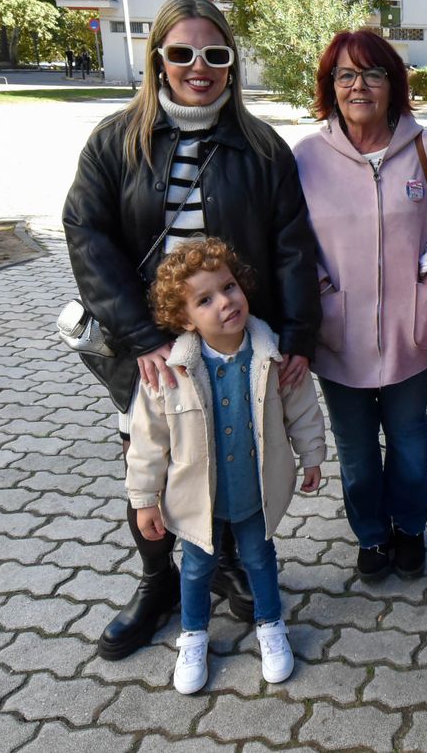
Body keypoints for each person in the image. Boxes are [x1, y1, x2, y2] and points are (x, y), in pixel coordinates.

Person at [62, 0, 321, 663]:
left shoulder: (263, 148)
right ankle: (158, 582)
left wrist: (297, 339)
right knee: (148, 456)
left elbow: (294, 247)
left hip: (237, 339)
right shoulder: (116, 141)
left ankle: (230, 563)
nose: (197, 67)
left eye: (214, 53)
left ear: (232, 64)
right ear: (158, 60)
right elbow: (87, 234)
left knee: (236, 449)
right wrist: (140, 337)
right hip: (151, 349)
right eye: (181, 53)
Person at [291, 29, 427, 583]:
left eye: (372, 73)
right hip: (337, 337)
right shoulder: (306, 159)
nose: (359, 85)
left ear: (393, 83)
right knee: (358, 449)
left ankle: (410, 530)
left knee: (410, 439)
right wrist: (319, 291)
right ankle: (371, 535)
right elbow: (288, 241)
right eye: (345, 75)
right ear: (330, 86)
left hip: (413, 333)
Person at [127, 238, 325, 692]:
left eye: (229, 287)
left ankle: (271, 625)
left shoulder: (270, 355)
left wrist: (311, 454)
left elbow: (302, 407)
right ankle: (194, 635)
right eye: (205, 300)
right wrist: (144, 500)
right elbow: (147, 441)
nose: (225, 303)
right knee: (197, 566)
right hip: (198, 497)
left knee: (260, 558)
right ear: (183, 318)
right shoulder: (171, 372)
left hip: (254, 490)